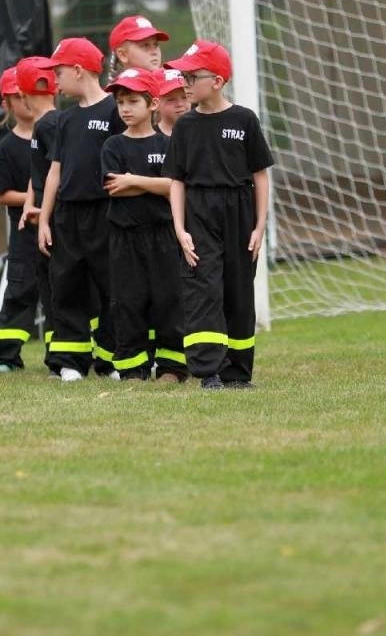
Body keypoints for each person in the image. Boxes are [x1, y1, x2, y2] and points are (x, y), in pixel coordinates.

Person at [167, 40, 273, 390]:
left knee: (238, 292)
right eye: (182, 75)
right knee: (203, 289)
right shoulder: (185, 126)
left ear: (217, 80)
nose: (184, 83)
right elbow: (177, 181)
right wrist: (180, 229)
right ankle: (208, 370)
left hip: (239, 214)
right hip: (198, 213)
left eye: (191, 76)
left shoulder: (244, 120)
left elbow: (260, 175)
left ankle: (237, 373)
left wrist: (259, 226)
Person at [34, 37, 124, 381]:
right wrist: (45, 218)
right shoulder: (65, 120)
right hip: (67, 217)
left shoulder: (115, 111)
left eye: (58, 72)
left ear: (78, 70)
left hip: (105, 213)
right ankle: (70, 360)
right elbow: (55, 169)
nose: (54, 81)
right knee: (66, 285)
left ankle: (112, 359)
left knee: (111, 287)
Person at [101, 68, 185, 382]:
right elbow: (113, 186)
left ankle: (172, 367)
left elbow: (176, 186)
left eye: (133, 100)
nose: (125, 108)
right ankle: (132, 368)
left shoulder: (167, 145)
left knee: (168, 300)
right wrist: (158, 183)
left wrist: (134, 180)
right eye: (120, 101)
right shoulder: (112, 146)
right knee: (127, 301)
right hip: (125, 238)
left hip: (163, 236)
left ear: (152, 104)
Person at [0, 66, 45, 373]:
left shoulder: (55, 134)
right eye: (16, 97)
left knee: (62, 293)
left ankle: (66, 355)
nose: (24, 102)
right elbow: (1, 193)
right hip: (25, 235)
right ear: (6, 104)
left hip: (58, 232)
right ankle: (4, 356)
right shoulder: (8, 146)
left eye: (27, 95)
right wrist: (36, 200)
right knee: (20, 292)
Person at [16, 56, 62, 370]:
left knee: (54, 289)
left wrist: (43, 215)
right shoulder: (56, 122)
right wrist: (30, 204)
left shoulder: (47, 125)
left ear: (22, 94)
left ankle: (62, 356)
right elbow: (40, 177)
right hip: (54, 215)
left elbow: (53, 176)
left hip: (56, 222)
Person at [154, 68, 191, 136]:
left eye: (185, 97)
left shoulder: (201, 132)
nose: (180, 104)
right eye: (171, 99)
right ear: (155, 104)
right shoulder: (150, 139)